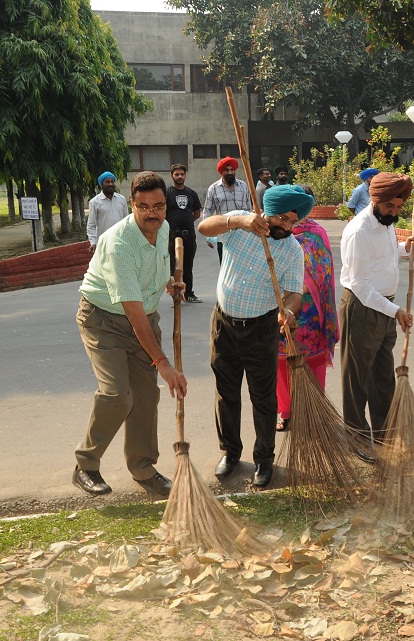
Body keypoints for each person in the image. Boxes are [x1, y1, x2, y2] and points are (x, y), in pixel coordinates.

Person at [72, 170, 187, 498]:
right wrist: (163, 363)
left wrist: (169, 283)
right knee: (117, 395)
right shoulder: (119, 242)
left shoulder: (162, 228)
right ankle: (86, 464)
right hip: (103, 321)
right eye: (144, 206)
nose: (153, 213)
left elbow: (153, 269)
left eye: (159, 206)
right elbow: (133, 313)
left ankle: (143, 468)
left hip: (144, 318)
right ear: (131, 206)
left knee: (147, 396)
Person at [197, 185, 308, 487]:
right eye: (282, 219)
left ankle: (264, 459)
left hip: (261, 329)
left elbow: (295, 292)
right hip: (224, 323)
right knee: (226, 392)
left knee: (263, 398)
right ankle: (231, 453)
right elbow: (204, 228)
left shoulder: (291, 250)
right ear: (268, 211)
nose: (286, 227)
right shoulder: (240, 222)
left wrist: (289, 311)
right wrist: (238, 222)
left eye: (292, 223)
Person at [339, 172, 414, 455]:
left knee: (382, 376)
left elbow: (382, 257)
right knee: (356, 378)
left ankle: (384, 434)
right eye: (389, 207)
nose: (394, 213)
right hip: (362, 308)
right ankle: (357, 439)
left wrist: (404, 249)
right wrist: (395, 311)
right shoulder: (359, 230)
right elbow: (359, 283)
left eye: (398, 208)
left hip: (386, 308)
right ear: (375, 200)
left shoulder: (385, 225)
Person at [276, 198, 338, 433]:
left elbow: (323, 270)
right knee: (281, 362)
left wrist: (295, 292)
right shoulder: (276, 231)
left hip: (309, 311)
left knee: (313, 361)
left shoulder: (316, 234)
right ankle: (286, 412)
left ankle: (314, 410)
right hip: (279, 307)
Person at [165, 163, 203, 303]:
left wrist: (186, 221)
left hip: (189, 235)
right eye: (177, 174)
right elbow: (163, 212)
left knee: (188, 265)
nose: (179, 176)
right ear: (172, 176)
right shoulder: (167, 193)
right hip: (172, 235)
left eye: (182, 174)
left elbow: (197, 213)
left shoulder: (191, 193)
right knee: (173, 266)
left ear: (185, 175)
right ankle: (175, 294)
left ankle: (189, 293)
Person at [204, 156, 251, 264]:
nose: (230, 172)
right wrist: (209, 234)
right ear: (221, 172)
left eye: (232, 170)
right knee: (225, 266)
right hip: (224, 234)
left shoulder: (243, 186)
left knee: (245, 265)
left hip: (242, 234)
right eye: (227, 170)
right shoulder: (213, 188)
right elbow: (207, 212)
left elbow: (249, 209)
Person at [86, 171, 128, 253]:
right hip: (104, 244)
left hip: (121, 241)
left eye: (112, 181)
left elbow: (126, 220)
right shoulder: (94, 202)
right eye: (107, 182)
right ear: (101, 185)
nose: (110, 184)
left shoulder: (121, 199)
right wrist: (93, 242)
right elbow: (91, 225)